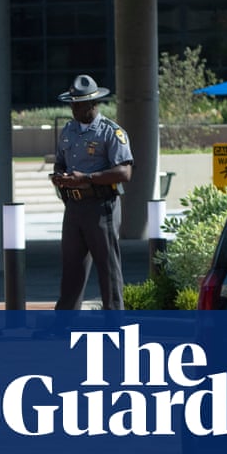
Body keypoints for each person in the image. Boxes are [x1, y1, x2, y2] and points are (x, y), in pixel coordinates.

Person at [51, 74, 134, 310]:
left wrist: (86, 179)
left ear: (94, 104)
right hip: (74, 206)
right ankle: (65, 320)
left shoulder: (111, 132)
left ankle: (114, 320)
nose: (75, 108)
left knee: (108, 267)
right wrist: (60, 176)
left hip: (101, 206)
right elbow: (60, 161)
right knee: (71, 267)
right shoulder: (69, 130)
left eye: (80, 104)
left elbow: (124, 172)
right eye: (73, 104)